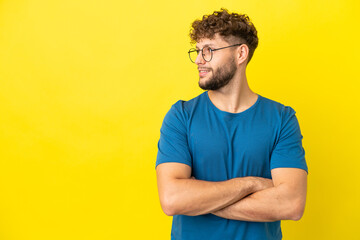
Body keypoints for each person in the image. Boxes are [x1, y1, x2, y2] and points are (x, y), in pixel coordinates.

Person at [155, 8, 308, 240]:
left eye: (208, 51)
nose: (198, 60)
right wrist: (252, 184)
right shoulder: (181, 116)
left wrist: (198, 200)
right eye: (197, 51)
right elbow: (172, 200)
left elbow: (291, 204)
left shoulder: (282, 119)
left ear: (240, 54)